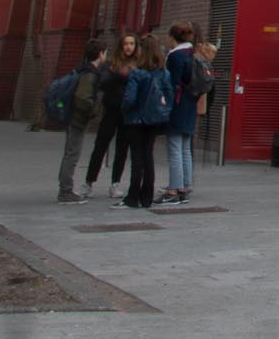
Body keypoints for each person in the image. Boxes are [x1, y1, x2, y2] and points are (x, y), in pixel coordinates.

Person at [115, 35, 169, 209]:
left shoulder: (137, 73)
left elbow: (129, 98)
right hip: (154, 119)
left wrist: (124, 109)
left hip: (136, 119)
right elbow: (169, 95)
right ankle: (147, 197)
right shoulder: (163, 73)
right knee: (148, 155)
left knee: (137, 157)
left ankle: (132, 196)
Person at [85, 33, 137, 198]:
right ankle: (89, 182)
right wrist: (118, 74)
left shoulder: (137, 65)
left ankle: (115, 184)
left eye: (132, 44)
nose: (128, 47)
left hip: (127, 112)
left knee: (122, 149)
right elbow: (103, 82)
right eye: (126, 44)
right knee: (100, 146)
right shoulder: (111, 64)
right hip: (111, 110)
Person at [56, 40, 106, 203]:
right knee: (72, 154)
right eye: (105, 53)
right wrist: (93, 110)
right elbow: (82, 98)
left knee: (69, 153)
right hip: (78, 119)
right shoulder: (90, 74)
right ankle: (66, 191)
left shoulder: (82, 70)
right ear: (100, 54)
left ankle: (65, 188)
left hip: (73, 118)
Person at [159, 22, 201, 207]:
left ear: (172, 37)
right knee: (185, 148)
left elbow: (171, 83)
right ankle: (185, 186)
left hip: (177, 105)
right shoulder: (193, 55)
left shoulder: (175, 56)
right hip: (190, 105)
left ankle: (173, 189)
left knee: (174, 149)